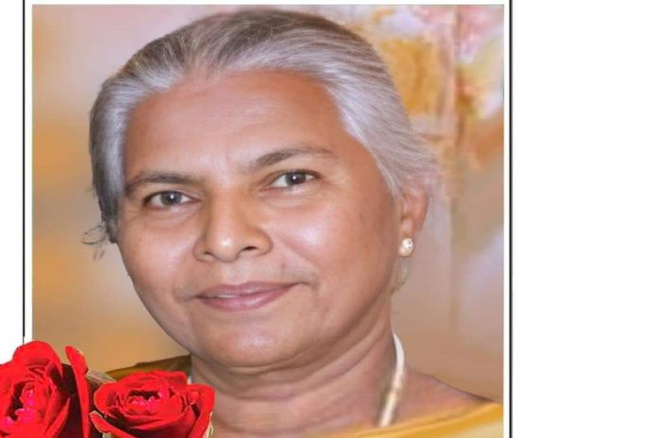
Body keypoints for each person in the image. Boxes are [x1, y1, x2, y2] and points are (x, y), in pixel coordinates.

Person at [88, 9, 502, 437]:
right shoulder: (64, 424)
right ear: (116, 226)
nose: (225, 240)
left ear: (406, 207)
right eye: (169, 198)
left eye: (291, 179)